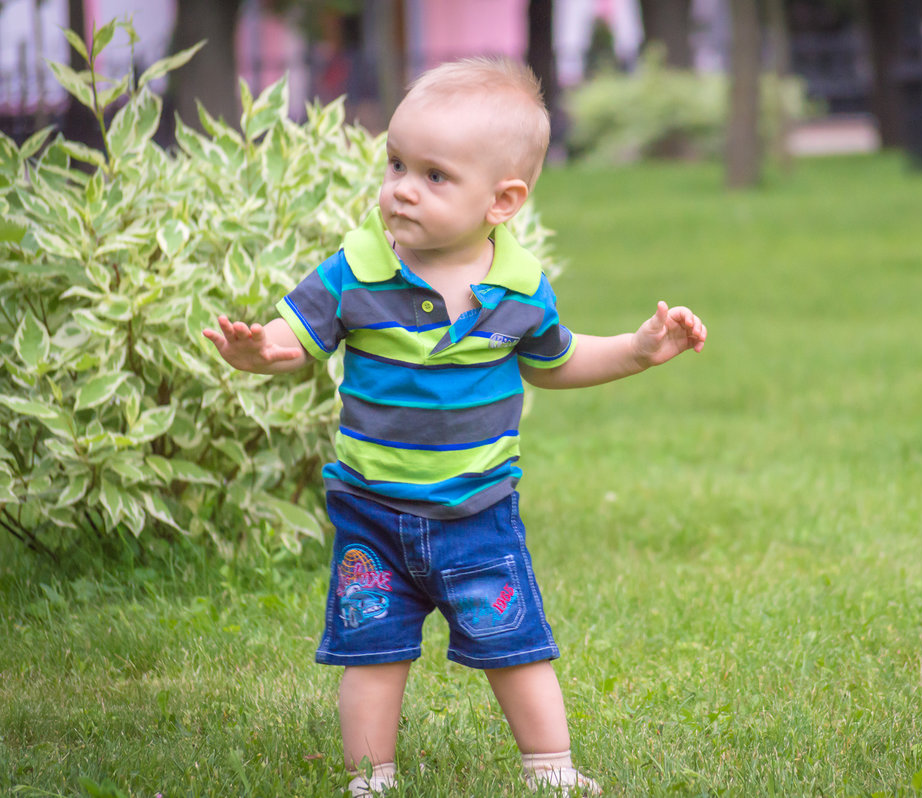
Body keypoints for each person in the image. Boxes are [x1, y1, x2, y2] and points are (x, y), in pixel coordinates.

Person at [202, 57, 707, 796]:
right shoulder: (356, 268)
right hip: (372, 512)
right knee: (372, 653)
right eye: (397, 163)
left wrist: (636, 351)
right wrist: (260, 353)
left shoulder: (520, 287)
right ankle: (369, 779)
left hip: (478, 512)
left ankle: (551, 769)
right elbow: (296, 339)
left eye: (434, 176)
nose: (402, 187)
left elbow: (554, 362)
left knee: (516, 645)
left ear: (503, 201)